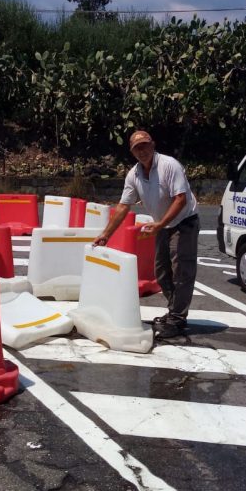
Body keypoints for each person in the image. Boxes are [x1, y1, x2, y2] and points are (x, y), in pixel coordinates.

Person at [93, 130, 200, 339]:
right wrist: (106, 234)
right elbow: (123, 206)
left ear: (153, 145)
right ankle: (174, 312)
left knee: (181, 272)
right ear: (132, 152)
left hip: (184, 222)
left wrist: (161, 223)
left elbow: (181, 199)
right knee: (161, 272)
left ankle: (177, 319)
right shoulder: (134, 174)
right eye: (137, 148)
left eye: (145, 145)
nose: (142, 151)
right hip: (162, 225)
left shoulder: (170, 166)